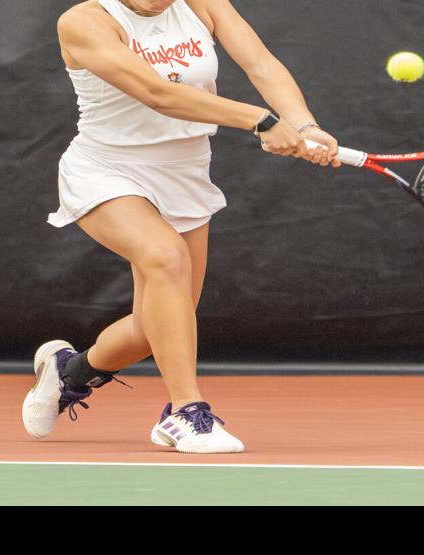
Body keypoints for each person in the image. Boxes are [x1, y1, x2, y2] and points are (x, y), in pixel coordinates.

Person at [23, 0, 339, 453]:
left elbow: (261, 64)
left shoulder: (203, 4)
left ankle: (68, 371)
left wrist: (304, 124)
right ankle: (185, 412)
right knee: (165, 257)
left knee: (153, 328)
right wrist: (262, 121)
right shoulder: (83, 21)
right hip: (107, 168)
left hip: (185, 172)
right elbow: (157, 94)